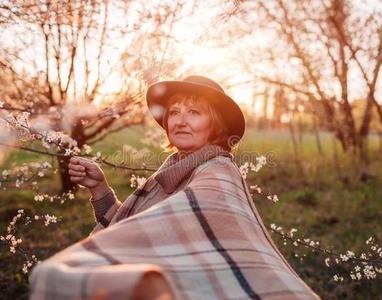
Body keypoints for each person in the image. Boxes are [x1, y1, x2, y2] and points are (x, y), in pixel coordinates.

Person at [29, 76, 319, 299]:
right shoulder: (172, 169)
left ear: (215, 124)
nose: (180, 120)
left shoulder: (217, 175)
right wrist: (100, 188)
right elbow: (145, 233)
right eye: (174, 111)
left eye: (194, 112)